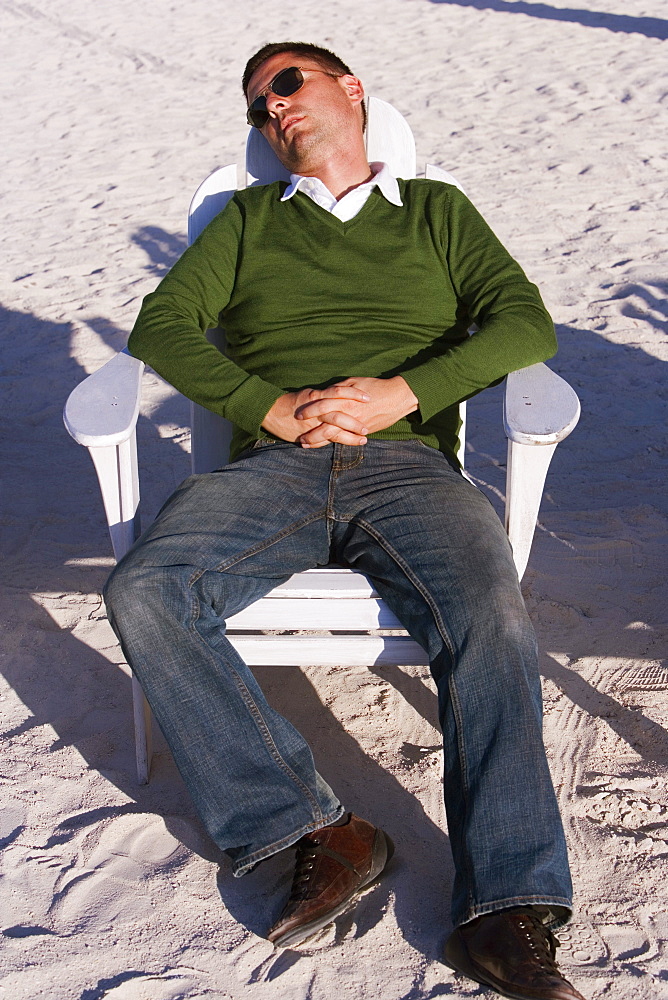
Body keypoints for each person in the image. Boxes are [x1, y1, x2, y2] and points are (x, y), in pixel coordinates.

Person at [104, 41, 587, 1000]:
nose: (272, 108)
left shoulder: (436, 213)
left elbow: (524, 323)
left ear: (351, 90)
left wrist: (399, 394)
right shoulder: (245, 220)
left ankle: (506, 913)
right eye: (256, 106)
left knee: (489, 617)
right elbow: (160, 327)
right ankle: (319, 829)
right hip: (275, 466)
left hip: (407, 465)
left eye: (287, 84)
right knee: (149, 590)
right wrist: (272, 410)